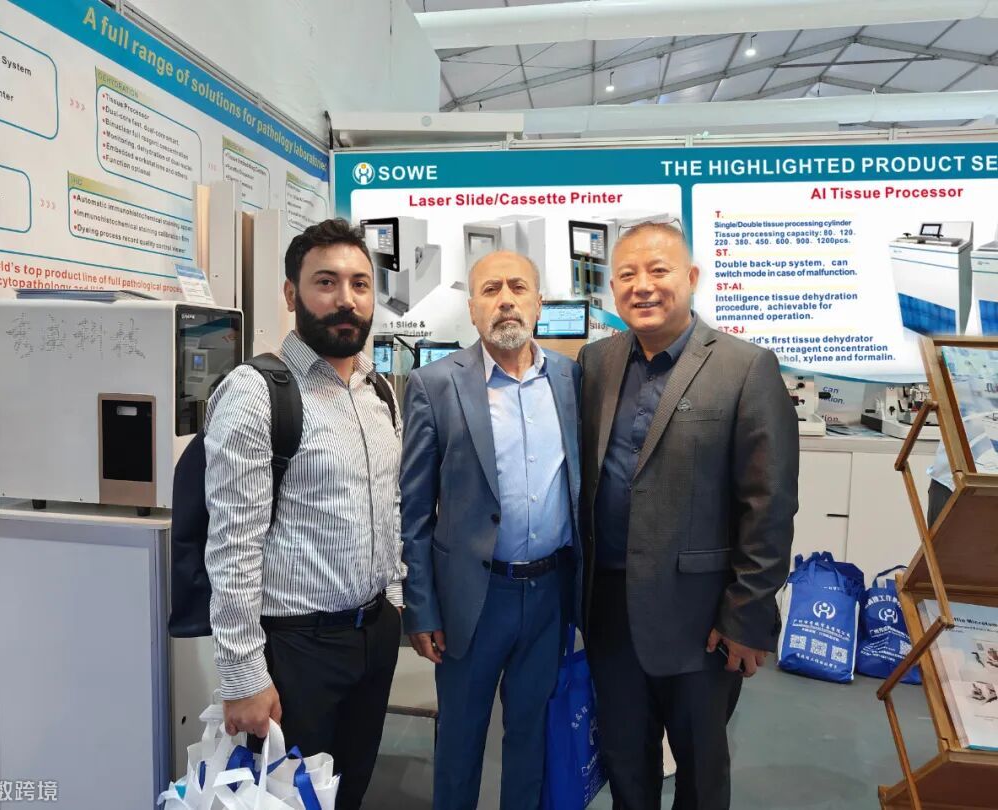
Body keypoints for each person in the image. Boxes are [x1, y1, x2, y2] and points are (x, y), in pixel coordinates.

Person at [578, 221, 799, 810]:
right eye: (627, 275)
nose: (643, 286)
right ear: (612, 288)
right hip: (608, 610)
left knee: (701, 774)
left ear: (692, 277)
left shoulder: (745, 367)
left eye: (659, 271)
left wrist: (748, 615)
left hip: (702, 618)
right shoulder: (596, 362)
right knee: (626, 765)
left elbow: (769, 503)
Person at [204, 218, 403, 810]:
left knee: (348, 793)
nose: (347, 299)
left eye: (360, 284)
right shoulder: (257, 391)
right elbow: (232, 545)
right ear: (291, 294)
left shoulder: (379, 392)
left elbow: (388, 504)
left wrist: (393, 597)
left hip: (372, 636)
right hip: (296, 650)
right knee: (288, 801)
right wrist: (243, 674)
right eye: (326, 282)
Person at [400, 250, 583, 810]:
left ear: (538, 303)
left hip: (549, 594)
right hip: (472, 600)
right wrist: (421, 609)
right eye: (490, 289)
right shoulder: (434, 384)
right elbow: (413, 512)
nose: (505, 300)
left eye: (518, 287)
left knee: (532, 737)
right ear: (473, 309)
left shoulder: (571, 379)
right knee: (460, 740)